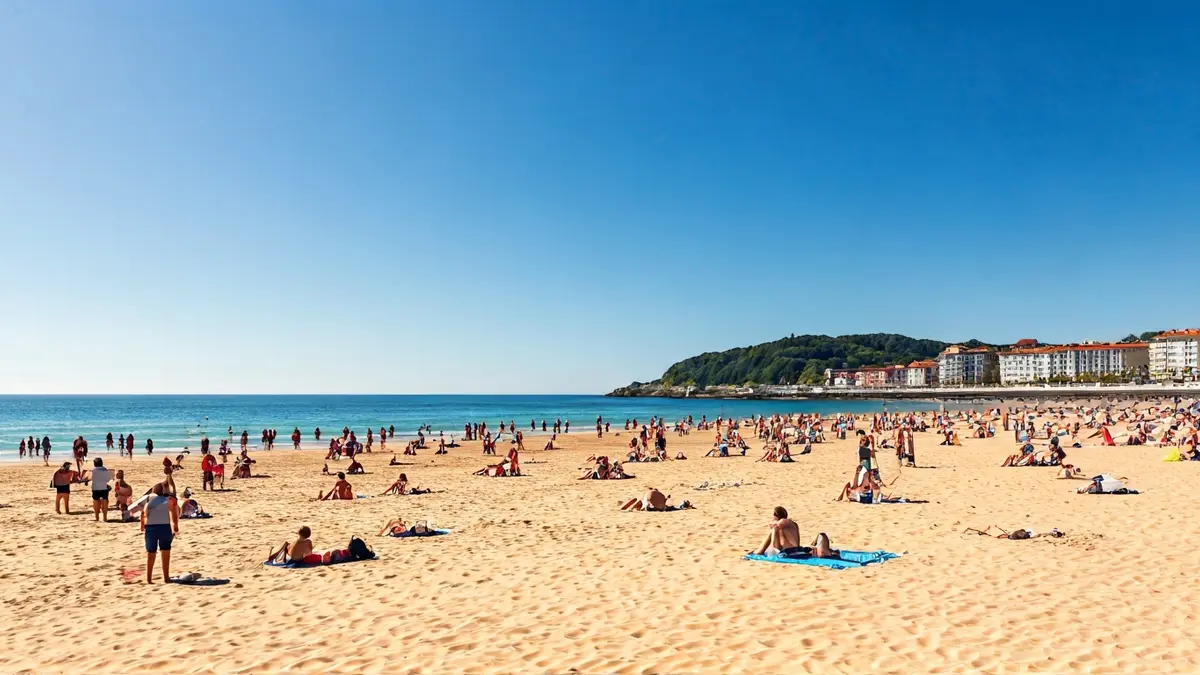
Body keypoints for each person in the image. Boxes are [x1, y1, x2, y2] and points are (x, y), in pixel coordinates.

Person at [140, 482, 180, 584]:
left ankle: (149, 579)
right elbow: (174, 513)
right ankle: (166, 578)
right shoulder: (168, 500)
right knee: (165, 552)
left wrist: (142, 525)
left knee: (151, 553)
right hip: (164, 527)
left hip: (150, 528)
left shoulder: (148, 500)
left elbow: (142, 514)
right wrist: (175, 525)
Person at [91, 458, 112, 522]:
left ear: (94, 464)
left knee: (96, 501)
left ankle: (97, 517)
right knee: (105, 501)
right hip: (104, 488)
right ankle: (105, 517)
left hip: (95, 488)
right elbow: (108, 479)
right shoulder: (105, 470)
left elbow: (90, 478)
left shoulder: (93, 471)